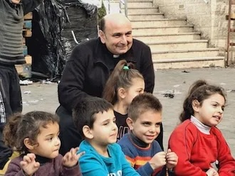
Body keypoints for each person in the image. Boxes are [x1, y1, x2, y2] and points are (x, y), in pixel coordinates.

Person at [56, 13, 156, 155]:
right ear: (102, 36)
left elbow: (147, 91)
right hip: (89, 110)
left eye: (128, 34)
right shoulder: (83, 52)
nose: (124, 41)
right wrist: (101, 110)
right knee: (67, 125)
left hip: (126, 109)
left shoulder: (142, 51)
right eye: (117, 35)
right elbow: (68, 91)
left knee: (152, 122)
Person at [0, 0, 43, 170]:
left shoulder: (20, 7)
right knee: (2, 116)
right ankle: (4, 159)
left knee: (15, 113)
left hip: (10, 66)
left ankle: (12, 151)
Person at [168, 80, 235, 176]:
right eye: (215, 105)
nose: (220, 111)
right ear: (196, 105)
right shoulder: (184, 131)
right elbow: (181, 167)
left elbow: (228, 162)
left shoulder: (216, 133)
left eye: (222, 108)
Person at [72, 96, 140, 176]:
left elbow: (130, 173)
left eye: (114, 121)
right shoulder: (85, 159)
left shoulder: (115, 148)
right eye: (106, 123)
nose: (114, 127)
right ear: (88, 131)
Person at [3, 111, 83, 176]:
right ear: (30, 143)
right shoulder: (18, 164)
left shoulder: (58, 160)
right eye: (50, 138)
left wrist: (70, 167)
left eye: (57, 136)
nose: (57, 142)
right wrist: (25, 173)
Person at [118, 93, 178, 176]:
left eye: (157, 124)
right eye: (146, 124)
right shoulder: (123, 148)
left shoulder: (155, 145)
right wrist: (151, 165)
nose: (153, 130)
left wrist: (168, 167)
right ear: (131, 123)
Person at [102, 59, 145, 140]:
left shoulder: (138, 115)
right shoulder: (105, 116)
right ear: (122, 93)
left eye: (143, 90)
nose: (142, 94)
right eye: (139, 91)